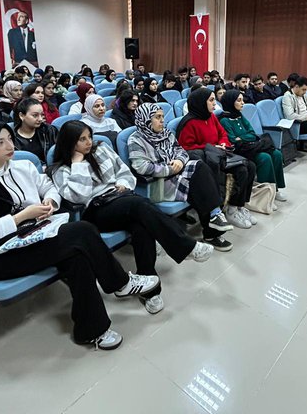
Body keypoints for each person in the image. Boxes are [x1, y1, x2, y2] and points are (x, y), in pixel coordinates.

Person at [0, 121, 157, 349]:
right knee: (82, 231)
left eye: (9, 139)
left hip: (32, 236)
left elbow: (48, 186)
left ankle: (91, 330)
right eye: (0, 143)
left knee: (78, 256)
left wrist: (50, 201)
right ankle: (121, 283)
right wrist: (19, 218)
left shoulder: (22, 167)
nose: (10, 146)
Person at [50, 121, 213, 315]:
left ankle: (150, 290)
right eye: (82, 139)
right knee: (139, 205)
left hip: (121, 198)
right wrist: (78, 164)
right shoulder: (60, 169)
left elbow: (123, 171)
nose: (89, 142)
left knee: (141, 226)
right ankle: (185, 246)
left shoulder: (101, 150)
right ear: (69, 142)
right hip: (97, 210)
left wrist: (123, 183)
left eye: (89, 137)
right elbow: (79, 196)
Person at [128, 103, 234, 251]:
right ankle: (213, 228)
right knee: (199, 184)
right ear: (145, 120)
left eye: (162, 116)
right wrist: (170, 169)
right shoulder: (136, 140)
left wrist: (179, 161)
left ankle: (214, 217)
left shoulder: (165, 133)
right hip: (157, 185)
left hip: (176, 176)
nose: (162, 120)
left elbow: (182, 151)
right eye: (157, 117)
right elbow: (142, 167)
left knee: (200, 169)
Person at [177, 88, 256, 230]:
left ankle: (238, 206)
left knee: (250, 166)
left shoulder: (211, 117)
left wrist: (223, 143)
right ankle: (230, 210)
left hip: (220, 153)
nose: (215, 103)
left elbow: (222, 133)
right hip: (208, 159)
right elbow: (187, 147)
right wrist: (212, 146)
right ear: (201, 102)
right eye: (211, 100)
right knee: (242, 170)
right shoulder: (189, 122)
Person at [219, 90, 287, 202]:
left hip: (251, 146)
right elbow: (233, 140)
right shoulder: (224, 120)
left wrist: (242, 137)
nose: (243, 103)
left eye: (242, 100)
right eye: (239, 100)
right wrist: (244, 137)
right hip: (241, 151)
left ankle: (276, 189)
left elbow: (252, 133)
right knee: (265, 158)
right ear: (230, 102)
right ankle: (265, 193)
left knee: (276, 154)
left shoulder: (239, 115)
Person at [12, 98, 57, 165]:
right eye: (35, 115)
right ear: (21, 116)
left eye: (42, 115)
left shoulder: (49, 130)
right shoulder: (12, 138)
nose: (40, 119)